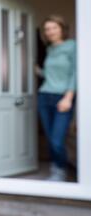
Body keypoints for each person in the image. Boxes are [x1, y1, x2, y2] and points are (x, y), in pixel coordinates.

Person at [35, 15, 76, 182]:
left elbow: (75, 73)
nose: (50, 31)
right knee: (51, 138)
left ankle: (60, 170)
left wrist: (68, 97)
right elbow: (50, 74)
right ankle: (56, 170)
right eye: (47, 29)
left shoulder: (72, 46)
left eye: (54, 27)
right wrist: (35, 69)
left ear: (62, 29)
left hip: (62, 98)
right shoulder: (51, 49)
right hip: (44, 97)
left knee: (57, 140)